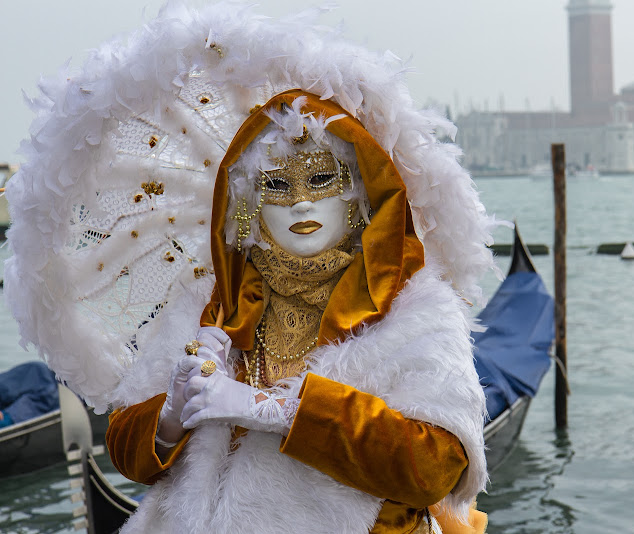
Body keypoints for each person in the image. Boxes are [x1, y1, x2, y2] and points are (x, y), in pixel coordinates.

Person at [106, 90, 489, 534]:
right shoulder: (208, 305)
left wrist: (278, 410)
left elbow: (436, 468)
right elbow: (126, 456)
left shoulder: (413, 310)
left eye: (322, 179)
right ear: (250, 206)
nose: (301, 203)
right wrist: (171, 415)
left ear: (357, 196)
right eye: (277, 185)